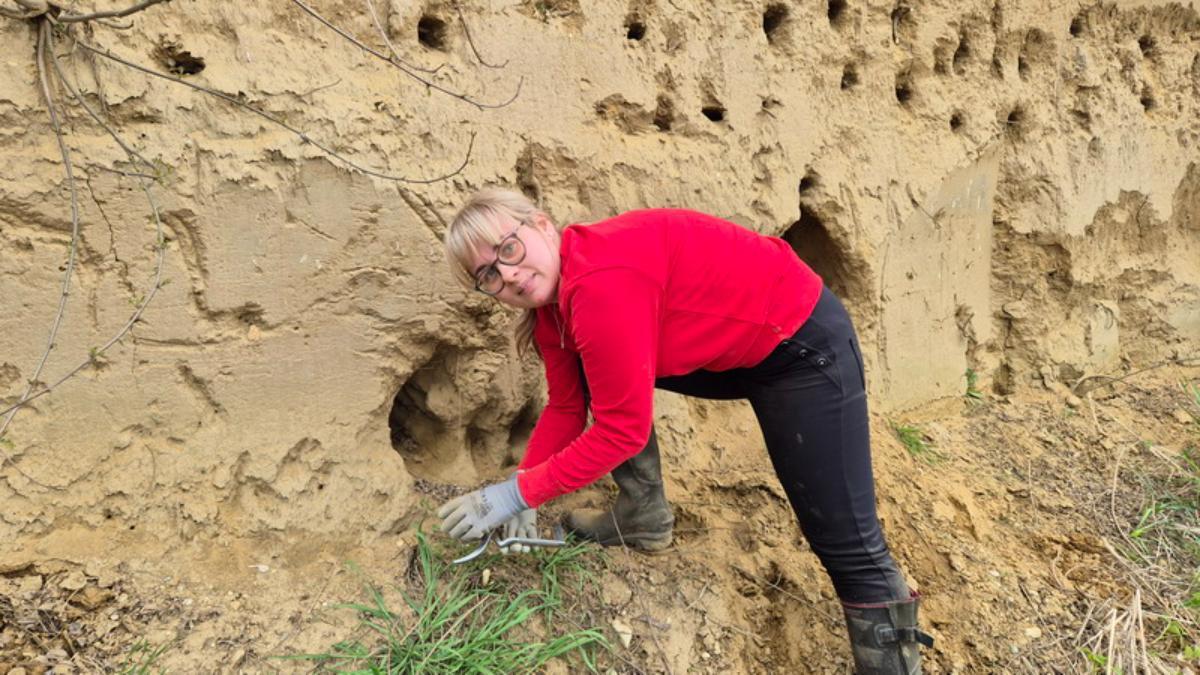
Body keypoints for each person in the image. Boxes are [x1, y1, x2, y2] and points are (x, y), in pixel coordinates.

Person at [436, 188, 933, 673]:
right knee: (598, 370)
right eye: (488, 274)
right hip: (741, 348)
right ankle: (643, 517)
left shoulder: (599, 282)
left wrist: (513, 495)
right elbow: (568, 407)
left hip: (801, 344)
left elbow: (621, 432)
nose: (508, 274)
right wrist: (527, 484)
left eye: (508, 249)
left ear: (542, 226)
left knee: (846, 545)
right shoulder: (554, 310)